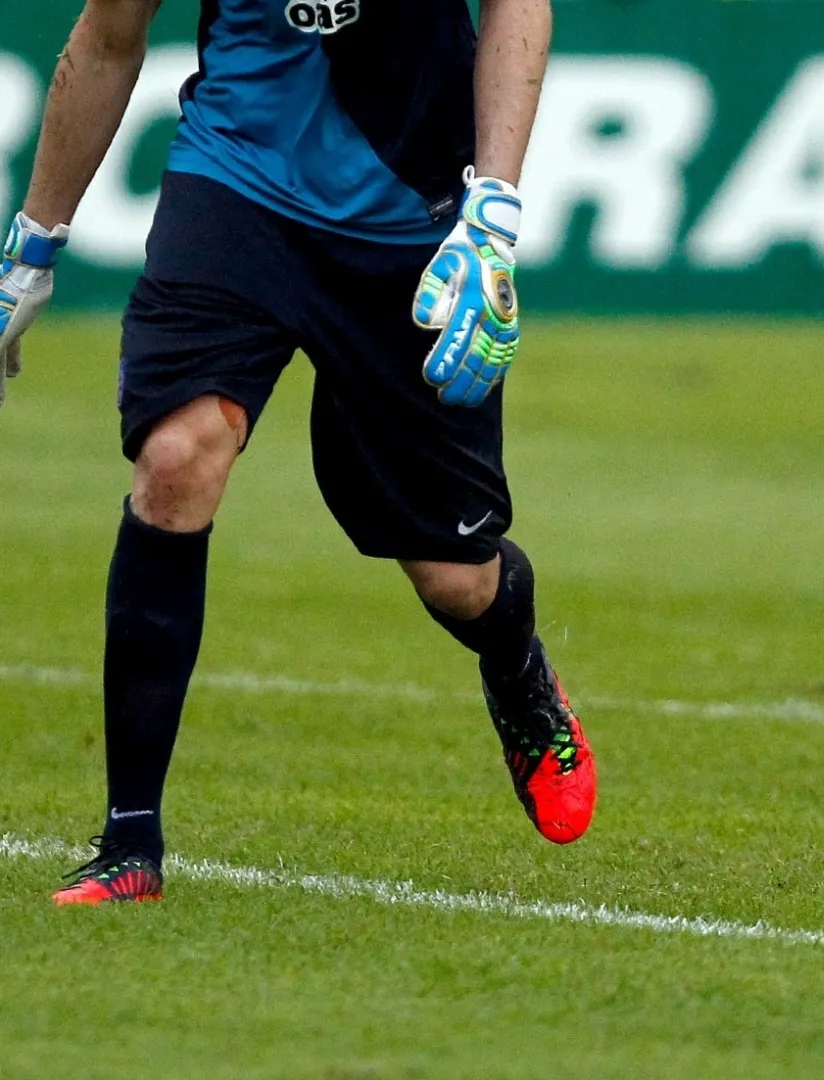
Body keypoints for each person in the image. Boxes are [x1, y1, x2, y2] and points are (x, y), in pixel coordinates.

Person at [0, 0, 597, 905]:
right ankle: (130, 841)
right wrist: (32, 247)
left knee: (455, 579)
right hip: (237, 182)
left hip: (412, 217)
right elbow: (110, 37)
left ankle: (517, 667)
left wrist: (493, 215)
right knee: (177, 455)